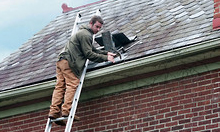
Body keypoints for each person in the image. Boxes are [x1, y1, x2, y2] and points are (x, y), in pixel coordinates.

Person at [48, 15, 116, 126]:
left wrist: (106, 53)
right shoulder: (86, 35)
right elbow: (89, 54)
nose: (98, 30)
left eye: (100, 28)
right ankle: (66, 111)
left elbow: (92, 49)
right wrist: (106, 58)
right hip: (70, 62)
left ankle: (54, 111)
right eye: (97, 27)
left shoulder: (82, 33)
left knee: (60, 86)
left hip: (61, 61)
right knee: (72, 84)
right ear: (91, 23)